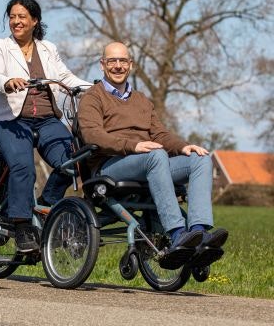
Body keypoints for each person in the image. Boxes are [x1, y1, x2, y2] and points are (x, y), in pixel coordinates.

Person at [78, 41, 228, 269]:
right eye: (112, 61)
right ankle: (177, 233)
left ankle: (197, 234)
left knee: (201, 159)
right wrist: (132, 146)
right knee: (156, 155)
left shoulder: (142, 101)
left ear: (131, 65)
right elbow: (93, 136)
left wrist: (183, 147)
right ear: (102, 65)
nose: (118, 66)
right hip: (109, 165)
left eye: (123, 61)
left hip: (147, 162)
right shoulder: (93, 97)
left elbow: (160, 134)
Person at [0, 0, 90, 252]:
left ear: (34, 21)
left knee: (73, 162)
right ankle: (21, 226)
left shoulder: (47, 49)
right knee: (23, 165)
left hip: (46, 120)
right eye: (12, 16)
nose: (16, 21)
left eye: (22, 17)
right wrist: (7, 82)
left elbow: (64, 77)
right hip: (7, 121)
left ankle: (45, 205)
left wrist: (95, 90)